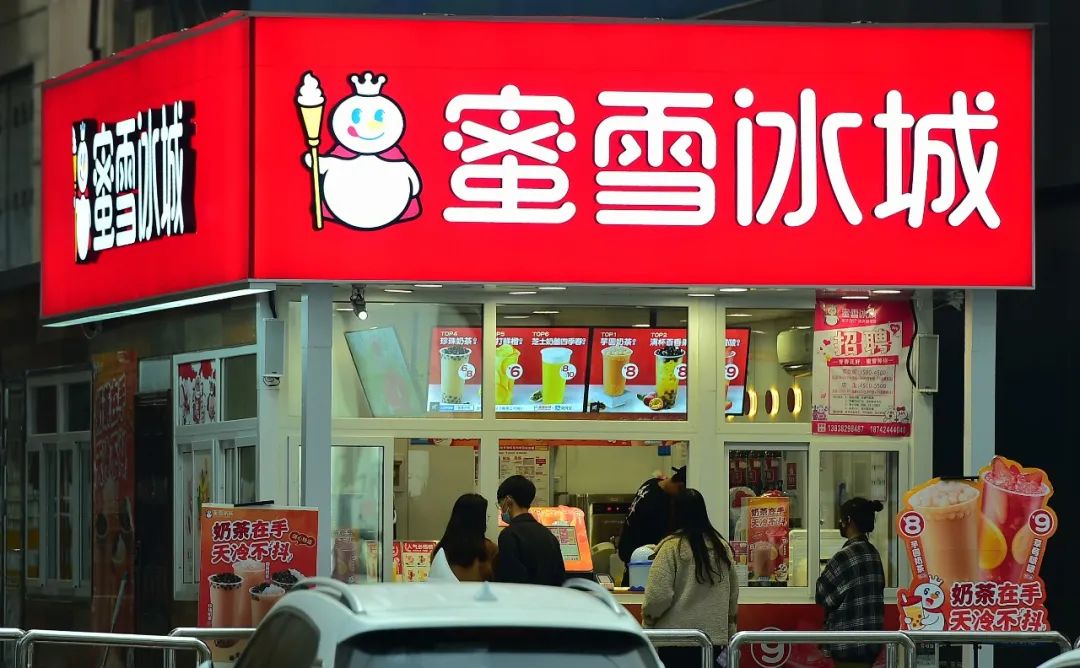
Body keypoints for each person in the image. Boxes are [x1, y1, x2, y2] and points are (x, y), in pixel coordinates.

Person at [642, 489, 738, 668]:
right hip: (714, 642)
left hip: (675, 642)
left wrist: (649, 620)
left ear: (675, 514)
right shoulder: (722, 548)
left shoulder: (671, 548)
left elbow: (658, 597)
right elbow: (732, 596)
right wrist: (730, 628)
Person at [816, 498, 886, 668]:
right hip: (871, 645)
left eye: (842, 519)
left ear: (848, 520)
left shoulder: (844, 556)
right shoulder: (874, 553)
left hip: (847, 645)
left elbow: (822, 595)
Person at [617, 467, 686, 585]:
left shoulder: (651, 483)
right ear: (680, 486)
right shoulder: (658, 504)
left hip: (629, 550)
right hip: (642, 559)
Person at [494, 475, 566, 586]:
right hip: (550, 595)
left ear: (508, 501)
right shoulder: (547, 534)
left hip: (523, 596)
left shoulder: (509, 535)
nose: (501, 510)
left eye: (500, 504)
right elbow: (559, 576)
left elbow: (510, 580)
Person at [428, 493, 498, 582]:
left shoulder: (440, 550)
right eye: (486, 517)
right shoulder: (489, 549)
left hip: (446, 591)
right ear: (479, 520)